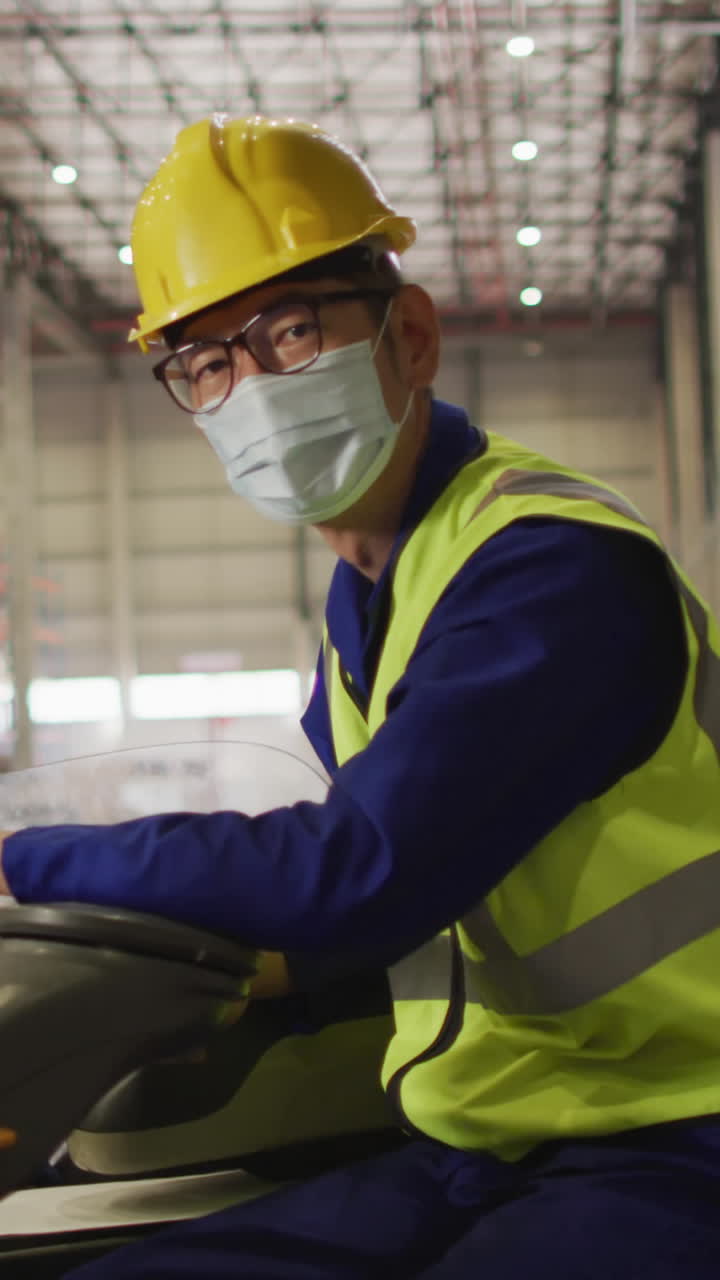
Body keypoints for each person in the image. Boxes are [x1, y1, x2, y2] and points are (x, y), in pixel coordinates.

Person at [2, 113, 720, 1277]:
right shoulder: (367, 604)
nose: (250, 388)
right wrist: (244, 971)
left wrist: (25, 859)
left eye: (289, 330)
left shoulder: (549, 566)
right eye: (206, 361)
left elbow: (359, 868)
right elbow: (421, 902)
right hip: (487, 1134)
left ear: (413, 335)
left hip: (674, 1131)